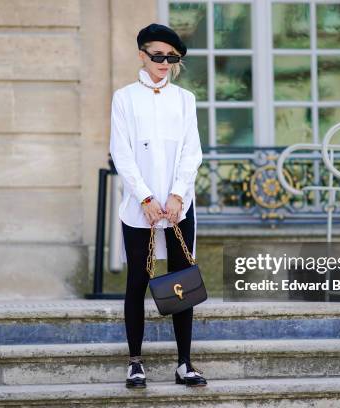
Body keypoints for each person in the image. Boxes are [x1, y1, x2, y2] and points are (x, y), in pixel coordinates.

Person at [109, 23, 206, 389]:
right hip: (141, 208)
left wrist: (178, 194)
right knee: (138, 280)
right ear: (142, 55)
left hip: (179, 206)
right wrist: (146, 198)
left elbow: (191, 152)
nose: (165, 63)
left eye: (172, 57)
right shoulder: (124, 98)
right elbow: (122, 153)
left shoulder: (185, 100)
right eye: (158, 56)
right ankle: (135, 362)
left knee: (183, 282)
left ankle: (184, 363)